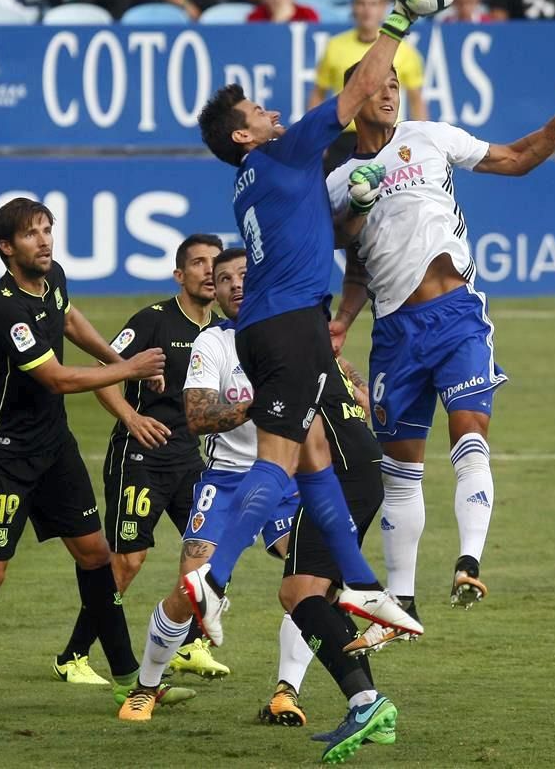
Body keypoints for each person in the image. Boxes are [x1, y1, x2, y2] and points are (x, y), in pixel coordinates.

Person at [189, 0, 426, 719]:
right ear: (244, 136)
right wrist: (403, 16)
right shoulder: (286, 150)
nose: (271, 109)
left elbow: (314, 225)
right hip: (289, 327)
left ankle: (356, 581)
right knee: (281, 458)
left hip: (280, 327)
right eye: (257, 110)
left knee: (318, 449)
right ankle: (214, 577)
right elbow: (359, 86)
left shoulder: (252, 182)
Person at [327, 65, 555, 647]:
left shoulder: (431, 137)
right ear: (354, 99)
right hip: (394, 332)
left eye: (396, 85)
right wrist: (344, 313)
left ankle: (469, 563)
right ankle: (401, 603)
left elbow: (517, 157)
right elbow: (348, 252)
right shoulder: (339, 175)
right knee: (401, 471)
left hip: (456, 317)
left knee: (469, 431)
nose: (390, 94)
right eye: (378, 86)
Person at [120, 250, 398, 764]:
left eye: (243, 275)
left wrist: (364, 395)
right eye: (222, 279)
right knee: (192, 590)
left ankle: (286, 690)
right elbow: (199, 417)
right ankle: (147, 684)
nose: (233, 285)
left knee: (310, 582)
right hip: (227, 482)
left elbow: (343, 377)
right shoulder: (214, 341)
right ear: (216, 293)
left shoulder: (289, 329)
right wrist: (270, 400)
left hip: (291, 478)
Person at [0, 197, 168, 718]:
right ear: (6, 248)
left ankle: (130, 682)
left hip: (53, 446)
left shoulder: (52, 277)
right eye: (32, 234)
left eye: (47, 229)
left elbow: (70, 317)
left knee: (95, 554)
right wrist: (129, 371)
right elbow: (56, 377)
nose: (45, 241)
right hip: (3, 455)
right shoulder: (2, 306)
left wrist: (118, 357)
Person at [54, 234, 228, 686]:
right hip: (141, 457)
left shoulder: (221, 331)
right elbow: (102, 375)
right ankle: (73, 655)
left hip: (190, 460)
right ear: (179, 274)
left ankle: (190, 645)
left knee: (210, 553)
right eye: (198, 263)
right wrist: (132, 418)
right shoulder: (153, 321)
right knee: (128, 560)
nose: (209, 271)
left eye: (215, 263)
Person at [308, 0, 427, 171]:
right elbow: (318, 94)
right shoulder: (335, 46)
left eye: (373, 4)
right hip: (343, 137)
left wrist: (420, 140)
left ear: (383, 9)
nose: (367, 10)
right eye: (361, 3)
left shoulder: (404, 50)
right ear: (353, 7)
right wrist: (315, 139)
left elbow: (416, 100)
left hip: (387, 136)